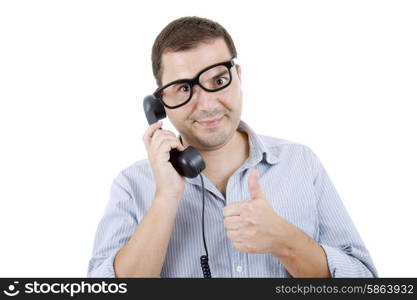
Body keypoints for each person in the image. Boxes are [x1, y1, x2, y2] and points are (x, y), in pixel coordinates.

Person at [87, 16, 377, 278]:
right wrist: (165, 199)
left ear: (238, 77)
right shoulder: (132, 185)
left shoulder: (301, 164)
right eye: (184, 88)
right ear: (159, 105)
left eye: (219, 80)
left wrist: (285, 241)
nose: (208, 104)